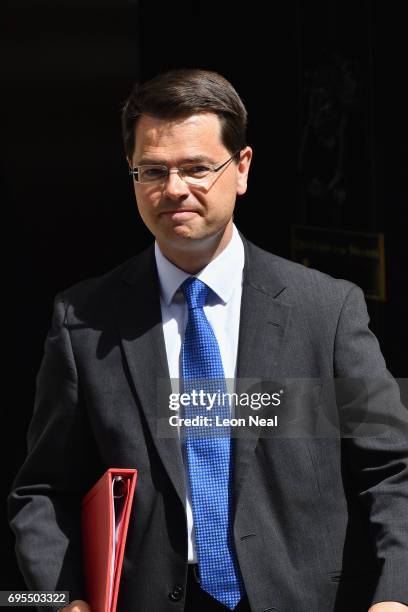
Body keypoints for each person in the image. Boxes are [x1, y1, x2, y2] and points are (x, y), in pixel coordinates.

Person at [8, 69, 408, 612]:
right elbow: (43, 491)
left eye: (196, 168)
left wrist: (394, 598)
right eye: (152, 170)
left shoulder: (326, 310)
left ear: (241, 169)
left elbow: (392, 470)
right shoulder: (83, 319)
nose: (174, 189)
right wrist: (58, 601)